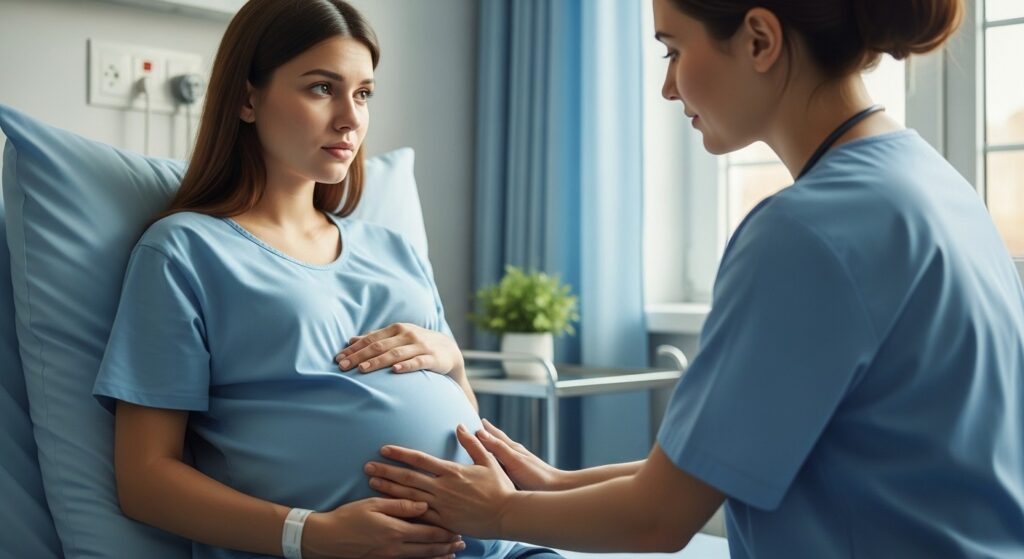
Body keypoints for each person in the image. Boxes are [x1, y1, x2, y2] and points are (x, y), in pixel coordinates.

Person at [360, 0, 1024, 557]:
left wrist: (498, 515)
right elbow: (709, 471)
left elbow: (659, 519)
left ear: (760, 39)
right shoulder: (933, 184)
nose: (668, 86)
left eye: (672, 50)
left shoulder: (806, 232)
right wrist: (556, 483)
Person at [92, 2, 550, 559]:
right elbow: (144, 480)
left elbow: (465, 426)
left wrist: (452, 362)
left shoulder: (395, 251)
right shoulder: (186, 250)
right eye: (321, 88)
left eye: (363, 94)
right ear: (246, 98)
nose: (351, 118)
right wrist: (311, 534)